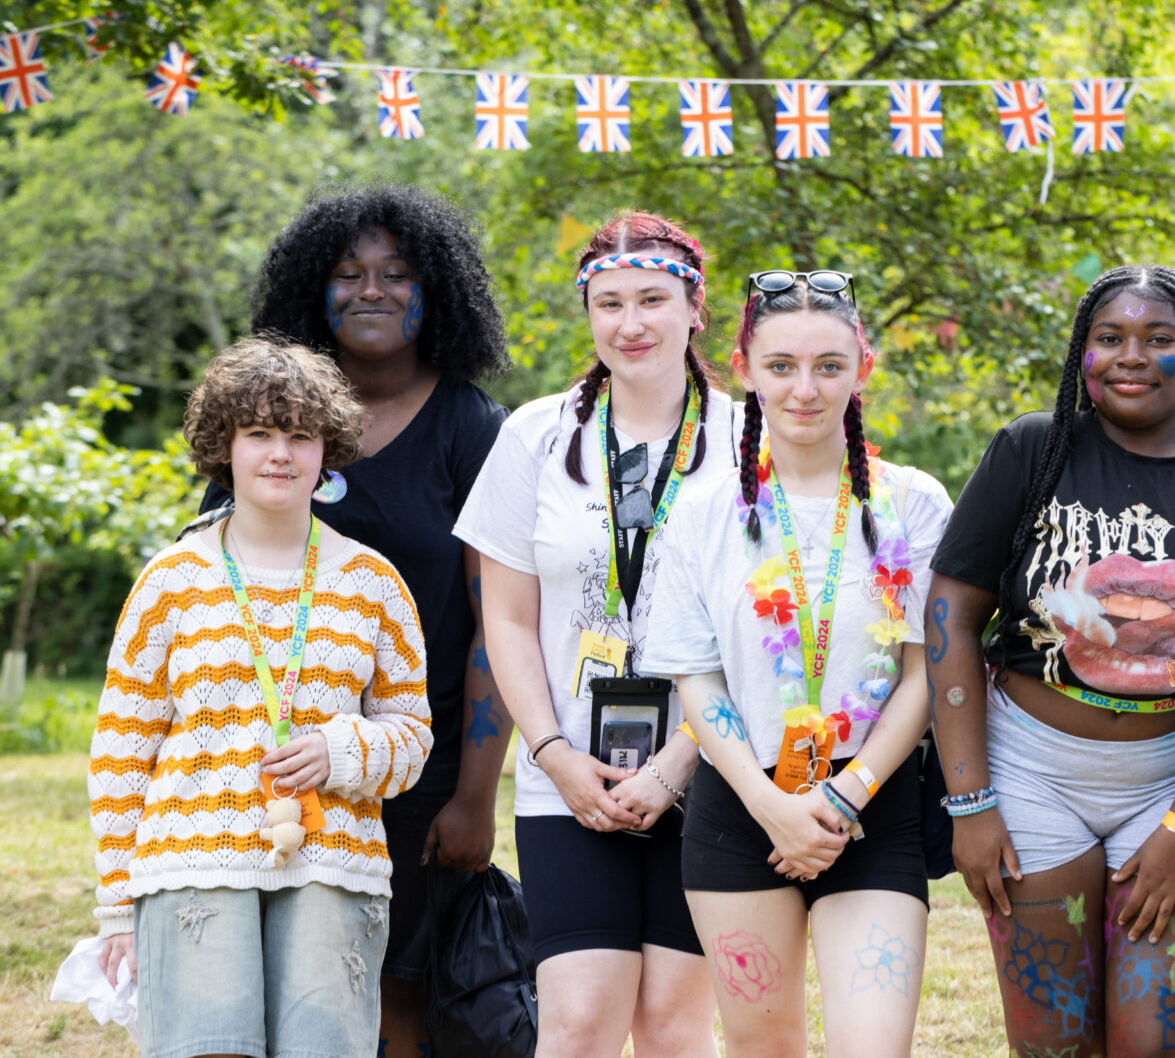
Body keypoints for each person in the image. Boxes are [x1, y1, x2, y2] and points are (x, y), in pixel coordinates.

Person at [925, 265, 1175, 1055]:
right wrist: (971, 802)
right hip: (1030, 778)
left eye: (1158, 338)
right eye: (1110, 337)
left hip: (1174, 785)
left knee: (1159, 1044)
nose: (1131, 355)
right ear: (1081, 352)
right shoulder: (1033, 450)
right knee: (1056, 1044)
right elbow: (951, 616)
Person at [193, 184, 512, 1055]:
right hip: (260, 760)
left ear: (436, 291)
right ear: (313, 288)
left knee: (390, 993)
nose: (372, 288)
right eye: (347, 271)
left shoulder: (474, 429)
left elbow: (500, 625)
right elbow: (208, 583)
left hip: (413, 768)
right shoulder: (271, 423)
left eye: (397, 272)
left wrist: (474, 796)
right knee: (268, 991)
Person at [90, 338, 432, 1058]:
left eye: (300, 436)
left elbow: (412, 734)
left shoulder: (373, 582)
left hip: (333, 863)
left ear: (327, 448)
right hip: (190, 863)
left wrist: (343, 751)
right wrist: (117, 902)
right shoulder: (170, 580)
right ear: (225, 446)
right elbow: (121, 750)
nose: (281, 454)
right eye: (259, 433)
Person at [643, 270, 952, 1057]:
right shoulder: (704, 513)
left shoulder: (912, 502)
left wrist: (846, 794)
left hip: (872, 801)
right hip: (741, 804)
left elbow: (926, 671)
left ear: (862, 368)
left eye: (828, 365)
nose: (805, 389)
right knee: (763, 1048)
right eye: (781, 366)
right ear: (744, 368)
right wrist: (770, 805)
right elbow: (697, 678)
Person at [456, 211, 732, 1056]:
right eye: (609, 303)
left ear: (695, 308)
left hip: (713, 771)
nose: (630, 322)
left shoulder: (748, 437)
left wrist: (678, 761)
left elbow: (766, 629)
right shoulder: (535, 435)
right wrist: (552, 753)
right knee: (577, 1020)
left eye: (652, 299)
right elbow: (506, 615)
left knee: (675, 1022)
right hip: (568, 777)